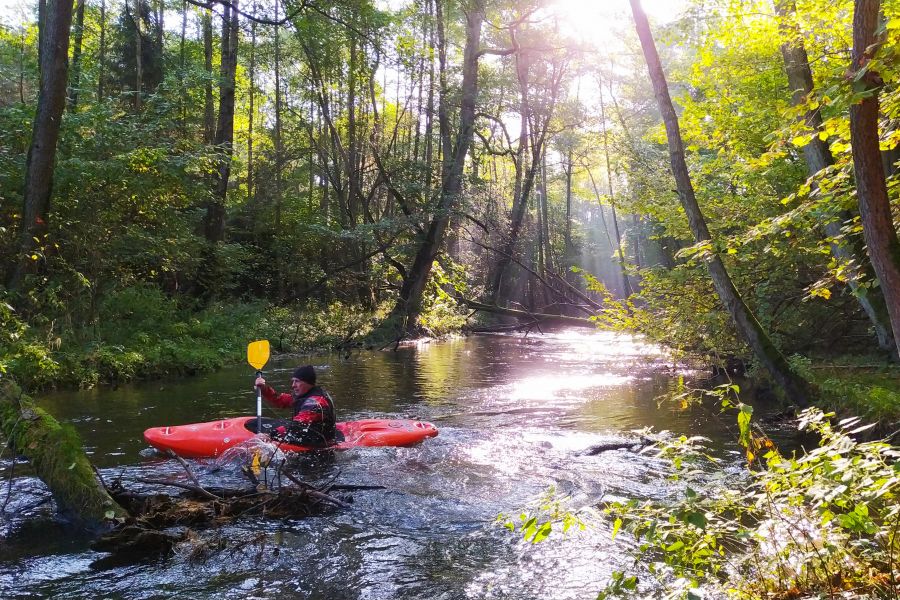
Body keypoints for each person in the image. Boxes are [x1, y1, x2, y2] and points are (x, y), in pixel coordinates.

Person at [255, 365, 336, 447]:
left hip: (320, 446)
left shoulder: (315, 403)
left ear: (307, 382)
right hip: (308, 435)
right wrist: (264, 389)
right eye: (293, 381)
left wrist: (270, 435)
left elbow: (297, 425)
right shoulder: (304, 394)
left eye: (297, 381)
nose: (293, 385)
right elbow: (279, 400)